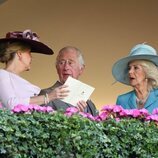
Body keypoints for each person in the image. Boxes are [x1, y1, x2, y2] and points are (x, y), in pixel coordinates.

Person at [0, 29, 69, 110]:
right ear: (19, 54)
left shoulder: (18, 81)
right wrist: (48, 97)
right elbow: (11, 103)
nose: (31, 57)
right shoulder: (2, 74)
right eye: (29, 52)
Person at [40, 46, 98, 116]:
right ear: (57, 68)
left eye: (70, 63)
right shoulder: (46, 95)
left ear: (81, 69)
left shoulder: (88, 101)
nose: (66, 67)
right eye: (61, 63)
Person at [112, 43, 158, 113]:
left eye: (136, 68)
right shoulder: (122, 100)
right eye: (129, 68)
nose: (130, 72)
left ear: (147, 72)